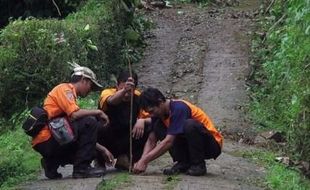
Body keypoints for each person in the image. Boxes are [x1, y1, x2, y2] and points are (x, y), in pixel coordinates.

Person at [32, 65, 109, 179]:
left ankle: (51, 164)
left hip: (48, 140)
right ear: (84, 80)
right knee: (90, 122)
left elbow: (84, 138)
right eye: (90, 86)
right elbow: (75, 114)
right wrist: (98, 112)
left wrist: (103, 149)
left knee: (89, 150)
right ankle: (81, 169)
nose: (90, 91)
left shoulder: (69, 96)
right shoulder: (65, 89)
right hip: (48, 138)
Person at [133, 87, 223, 176]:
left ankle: (198, 165)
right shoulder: (159, 115)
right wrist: (142, 160)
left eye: (152, 111)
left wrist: (145, 160)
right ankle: (183, 162)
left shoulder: (179, 108)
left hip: (211, 145)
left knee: (189, 125)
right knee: (158, 126)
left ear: (160, 102)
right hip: (190, 144)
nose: (151, 115)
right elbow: (151, 140)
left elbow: (168, 141)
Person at [97, 70, 150, 170]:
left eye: (130, 91)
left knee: (149, 128)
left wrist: (142, 121)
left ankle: (126, 158)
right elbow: (111, 101)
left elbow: (151, 116)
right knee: (98, 127)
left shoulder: (138, 96)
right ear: (117, 86)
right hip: (109, 136)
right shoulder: (107, 93)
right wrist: (124, 90)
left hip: (127, 137)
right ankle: (99, 160)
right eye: (122, 89)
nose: (126, 95)